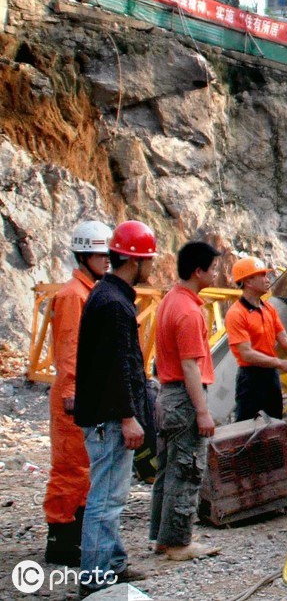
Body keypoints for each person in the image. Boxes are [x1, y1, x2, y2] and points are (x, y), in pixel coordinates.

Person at [74, 220, 157, 594]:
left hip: (105, 416)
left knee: (111, 495)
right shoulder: (113, 304)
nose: (152, 267)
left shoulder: (107, 295)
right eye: (149, 260)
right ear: (135, 261)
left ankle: (113, 564)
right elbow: (117, 367)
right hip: (110, 419)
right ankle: (95, 580)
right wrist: (128, 417)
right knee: (106, 499)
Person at [44, 220, 113, 567]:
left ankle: (76, 535)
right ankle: (61, 538)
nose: (107, 261)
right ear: (85, 254)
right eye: (101, 255)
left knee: (83, 466)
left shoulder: (87, 292)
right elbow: (69, 348)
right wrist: (73, 392)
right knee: (70, 467)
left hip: (83, 392)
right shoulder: (74, 295)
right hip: (73, 395)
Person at [149, 241, 220, 562]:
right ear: (198, 271)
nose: (217, 273)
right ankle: (179, 543)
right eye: (213, 268)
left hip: (167, 396)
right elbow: (190, 365)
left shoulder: (169, 301)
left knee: (167, 470)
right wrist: (203, 413)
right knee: (187, 469)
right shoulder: (189, 312)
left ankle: (162, 538)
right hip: (184, 397)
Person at [225, 256, 287, 422]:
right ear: (248, 281)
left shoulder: (268, 309)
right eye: (262, 275)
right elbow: (247, 354)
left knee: (274, 425)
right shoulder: (236, 313)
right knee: (246, 428)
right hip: (250, 379)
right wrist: (280, 363)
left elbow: (285, 340)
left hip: (270, 375)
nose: (267, 280)